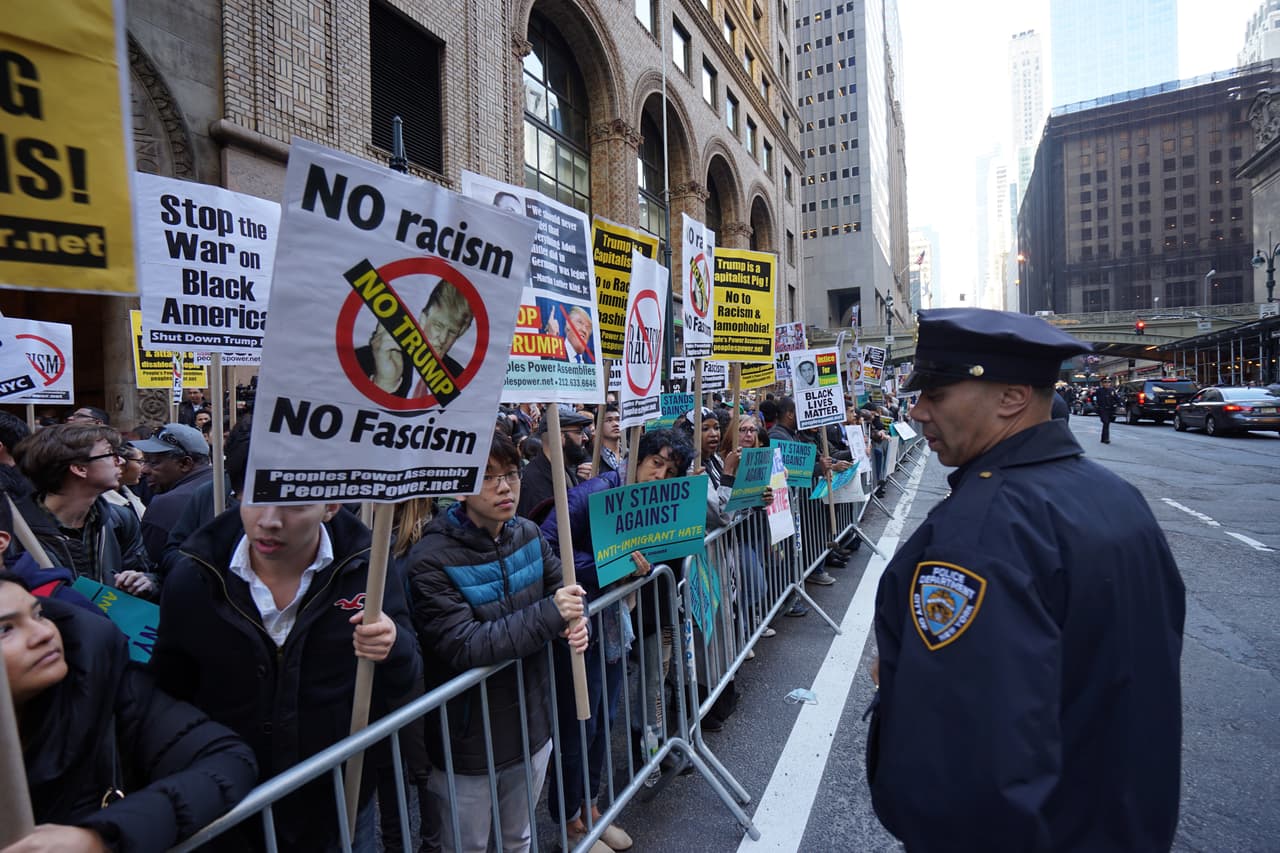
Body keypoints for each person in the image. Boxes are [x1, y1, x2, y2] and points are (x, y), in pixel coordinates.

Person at [865, 307, 1184, 851]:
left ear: (1012, 398)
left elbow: (969, 765)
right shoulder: (1115, 496)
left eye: (936, 394)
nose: (916, 411)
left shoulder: (981, 533)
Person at [151, 495, 422, 850]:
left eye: (294, 505)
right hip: (229, 805)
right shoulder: (195, 575)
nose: (269, 521)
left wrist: (393, 645)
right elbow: (168, 693)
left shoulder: (366, 568)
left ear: (331, 507)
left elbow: (405, 677)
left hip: (339, 798)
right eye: (256, 499)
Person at [408, 434, 587, 853]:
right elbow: (467, 644)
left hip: (533, 726)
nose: (505, 487)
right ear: (459, 487)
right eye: (487, 477)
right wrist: (553, 614)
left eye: (510, 473)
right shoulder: (430, 559)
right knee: (466, 846)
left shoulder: (528, 533)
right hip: (468, 744)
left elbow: (566, 594)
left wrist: (580, 624)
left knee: (518, 839)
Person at [1, 569, 257, 853]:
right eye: (5, 630)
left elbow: (227, 760)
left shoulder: (107, 686)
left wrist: (101, 838)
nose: (44, 633)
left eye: (38, 614)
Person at [541, 428, 687, 849]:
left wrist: (639, 564)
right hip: (579, 625)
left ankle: (592, 810)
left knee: (604, 722)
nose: (659, 476)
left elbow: (649, 552)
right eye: (655, 463)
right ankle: (569, 824)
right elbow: (547, 545)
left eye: (670, 471)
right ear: (636, 458)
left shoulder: (650, 502)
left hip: (614, 623)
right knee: (579, 726)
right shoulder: (592, 494)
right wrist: (608, 565)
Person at [12, 424, 156, 599]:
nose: (121, 461)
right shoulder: (16, 530)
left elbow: (146, 572)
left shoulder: (120, 519)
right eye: (111, 454)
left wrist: (146, 582)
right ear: (80, 469)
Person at [356, 278, 475, 397]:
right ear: (423, 319)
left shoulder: (459, 379)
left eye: (452, 332)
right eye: (438, 326)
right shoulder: (375, 358)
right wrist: (384, 383)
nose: (443, 339)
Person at [132, 423, 214, 565]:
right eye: (144, 461)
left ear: (185, 464)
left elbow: (151, 565)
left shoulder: (165, 504)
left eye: (153, 462)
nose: (144, 470)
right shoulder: (225, 484)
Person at [516, 409, 593, 519]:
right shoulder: (531, 483)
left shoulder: (567, 471)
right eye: (579, 432)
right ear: (559, 436)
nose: (585, 438)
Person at [101, 443, 148, 521]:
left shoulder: (129, 495)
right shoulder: (102, 504)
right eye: (140, 462)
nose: (144, 469)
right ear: (120, 463)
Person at [595, 404, 623, 474]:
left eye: (618, 420)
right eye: (609, 420)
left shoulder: (630, 455)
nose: (616, 424)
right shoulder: (594, 458)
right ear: (598, 426)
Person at [1095, 374, 1117, 443]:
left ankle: (1103, 438)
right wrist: (1096, 406)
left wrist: (1121, 405)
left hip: (1110, 409)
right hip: (1102, 409)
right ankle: (1106, 439)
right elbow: (1095, 399)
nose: (1107, 384)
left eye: (1109, 382)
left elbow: (1117, 398)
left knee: (1107, 423)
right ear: (1102, 383)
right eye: (1105, 382)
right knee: (1106, 422)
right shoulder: (1099, 391)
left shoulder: (1112, 390)